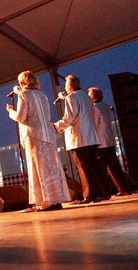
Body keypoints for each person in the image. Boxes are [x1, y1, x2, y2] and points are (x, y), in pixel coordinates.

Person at [6, 71, 70, 211]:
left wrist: (11, 111)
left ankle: (46, 200)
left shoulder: (24, 95)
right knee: (51, 167)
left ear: (22, 82)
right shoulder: (42, 95)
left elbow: (22, 117)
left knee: (38, 167)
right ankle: (56, 199)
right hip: (48, 134)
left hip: (34, 135)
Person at [53, 75, 105, 204]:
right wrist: (66, 97)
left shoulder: (71, 97)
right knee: (94, 166)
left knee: (84, 167)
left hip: (79, 138)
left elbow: (69, 117)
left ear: (70, 85)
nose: (65, 87)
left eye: (66, 85)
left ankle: (89, 195)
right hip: (91, 137)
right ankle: (100, 194)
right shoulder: (86, 97)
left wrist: (56, 126)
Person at [88, 87, 133, 196]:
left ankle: (105, 192)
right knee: (114, 166)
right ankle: (124, 188)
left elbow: (95, 124)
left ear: (93, 96)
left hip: (101, 141)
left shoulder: (95, 108)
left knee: (102, 169)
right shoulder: (104, 106)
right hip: (109, 139)